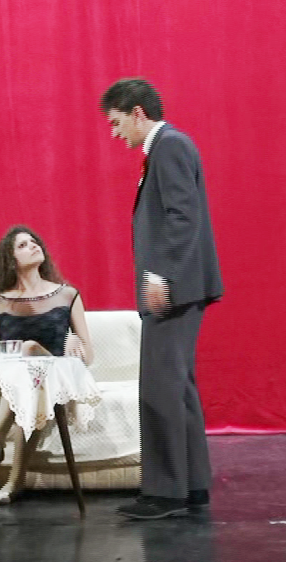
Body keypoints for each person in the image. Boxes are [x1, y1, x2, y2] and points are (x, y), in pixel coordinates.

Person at [100, 78, 224, 519]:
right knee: (178, 386)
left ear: (137, 113)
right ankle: (192, 485)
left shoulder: (169, 145)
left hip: (174, 287)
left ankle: (166, 492)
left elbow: (182, 216)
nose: (114, 132)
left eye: (116, 122)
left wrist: (160, 274)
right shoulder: (169, 146)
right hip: (182, 286)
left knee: (161, 389)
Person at [0, 225, 94, 504]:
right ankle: (14, 482)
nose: (34, 245)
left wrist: (74, 343)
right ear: (11, 259)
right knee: (30, 385)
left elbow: (89, 355)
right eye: (23, 245)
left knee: (29, 352)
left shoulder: (67, 294)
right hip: (15, 384)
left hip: (58, 378)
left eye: (34, 241)